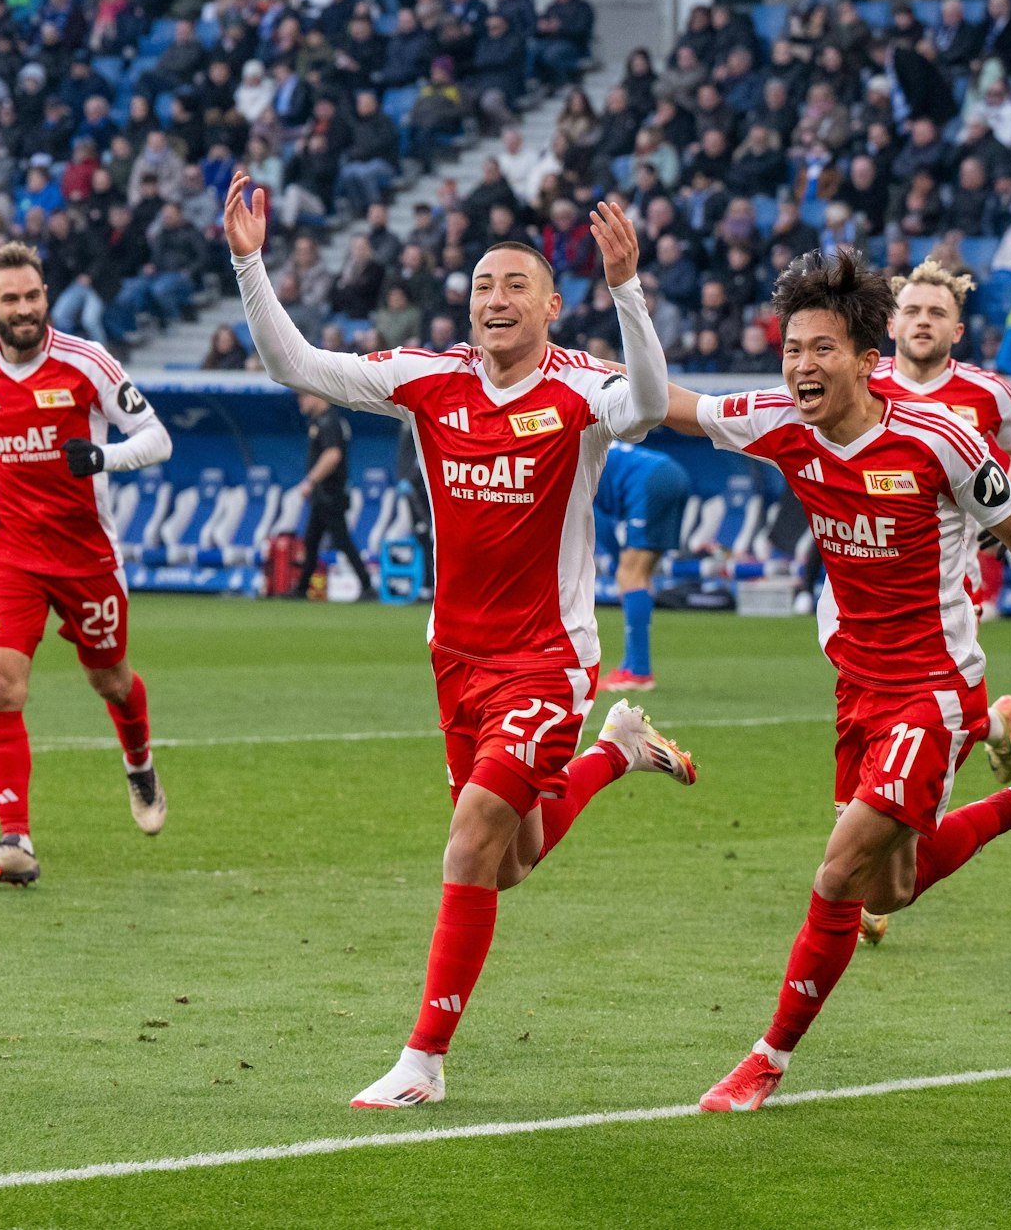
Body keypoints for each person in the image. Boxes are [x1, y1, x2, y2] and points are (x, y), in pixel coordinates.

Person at [224, 175, 698, 1109]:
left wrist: (629, 290)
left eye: (516, 285)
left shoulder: (581, 389)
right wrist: (248, 260)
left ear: (553, 305)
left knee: (473, 832)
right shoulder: (427, 379)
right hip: (457, 659)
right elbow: (298, 365)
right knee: (510, 859)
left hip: (547, 660)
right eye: (483, 285)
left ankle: (424, 1059)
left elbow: (645, 404)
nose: (495, 299)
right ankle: (615, 751)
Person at [657, 250, 1011, 1112]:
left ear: (868, 359)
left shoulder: (939, 438)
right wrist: (616, 321)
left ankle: (766, 1059)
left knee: (836, 876)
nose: (800, 366)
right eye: (792, 348)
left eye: (820, 349)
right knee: (887, 886)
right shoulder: (779, 421)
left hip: (935, 691)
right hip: (857, 685)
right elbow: (665, 404)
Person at [0, 243, 176, 886]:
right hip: (7, 551)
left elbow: (156, 437)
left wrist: (103, 459)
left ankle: (139, 759)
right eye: (11, 299)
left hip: (86, 555)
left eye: (33, 296)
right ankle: (15, 840)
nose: (26, 308)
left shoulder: (87, 363)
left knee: (111, 681)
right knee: (1, 685)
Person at [870, 259, 1011, 785]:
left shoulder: (988, 393)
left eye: (937, 313)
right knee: (906, 699)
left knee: (932, 702)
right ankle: (994, 726)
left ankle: (889, 801)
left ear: (957, 330)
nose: (924, 321)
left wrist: (1005, 514)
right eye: (912, 311)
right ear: (891, 324)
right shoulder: (861, 383)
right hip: (865, 567)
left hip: (951, 576)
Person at [594, 441, 691, 692]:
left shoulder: (567, 468)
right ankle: (633, 666)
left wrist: (618, 564)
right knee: (641, 574)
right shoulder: (592, 446)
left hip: (649, 480)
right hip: (669, 471)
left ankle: (638, 671)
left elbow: (598, 521)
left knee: (630, 574)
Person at [292, 391, 374, 599]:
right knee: (311, 540)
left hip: (331, 493)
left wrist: (310, 480)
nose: (300, 401)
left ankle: (367, 585)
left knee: (341, 540)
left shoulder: (329, 422)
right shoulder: (320, 421)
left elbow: (333, 455)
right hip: (323, 494)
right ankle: (302, 588)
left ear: (317, 396)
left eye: (303, 396)